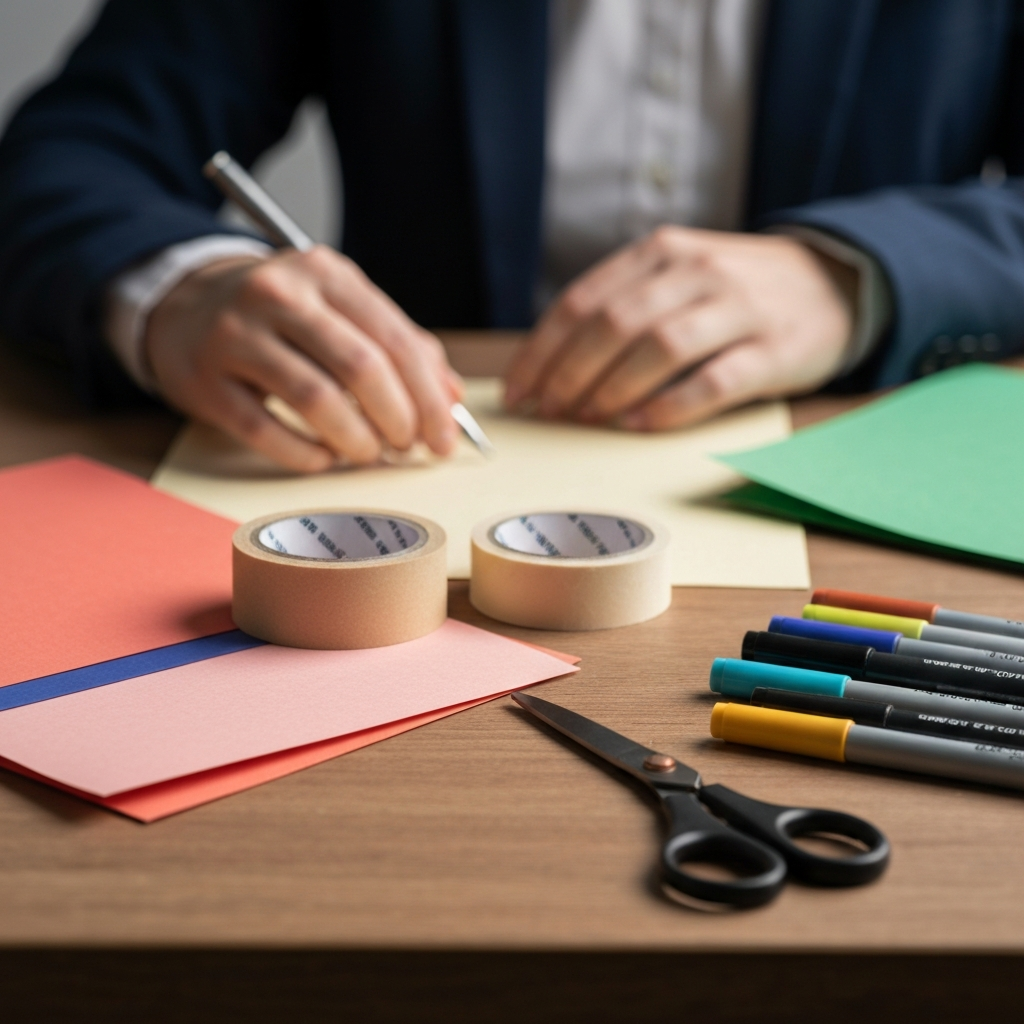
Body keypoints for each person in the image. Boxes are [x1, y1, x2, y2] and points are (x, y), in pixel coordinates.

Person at [0, 0, 1021, 473]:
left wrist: (853, 279)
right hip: (388, 515)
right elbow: (72, 152)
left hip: (860, 533)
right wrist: (178, 286)